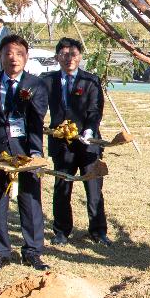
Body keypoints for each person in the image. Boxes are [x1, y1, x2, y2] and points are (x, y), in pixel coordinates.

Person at [0, 34, 50, 271]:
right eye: (8, 53)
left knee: (31, 199)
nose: (14, 59)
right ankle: (1, 251)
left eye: (19, 54)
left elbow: (36, 120)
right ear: (0, 55)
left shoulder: (36, 85)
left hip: (26, 148)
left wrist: (35, 152)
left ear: (27, 57)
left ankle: (32, 251)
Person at [46, 37, 110, 246]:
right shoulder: (48, 81)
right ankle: (62, 232)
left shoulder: (91, 80)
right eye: (64, 54)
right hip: (62, 144)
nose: (69, 58)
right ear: (57, 57)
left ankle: (98, 231)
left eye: (73, 54)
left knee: (93, 187)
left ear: (80, 56)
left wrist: (89, 130)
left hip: (88, 143)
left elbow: (95, 109)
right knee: (62, 187)